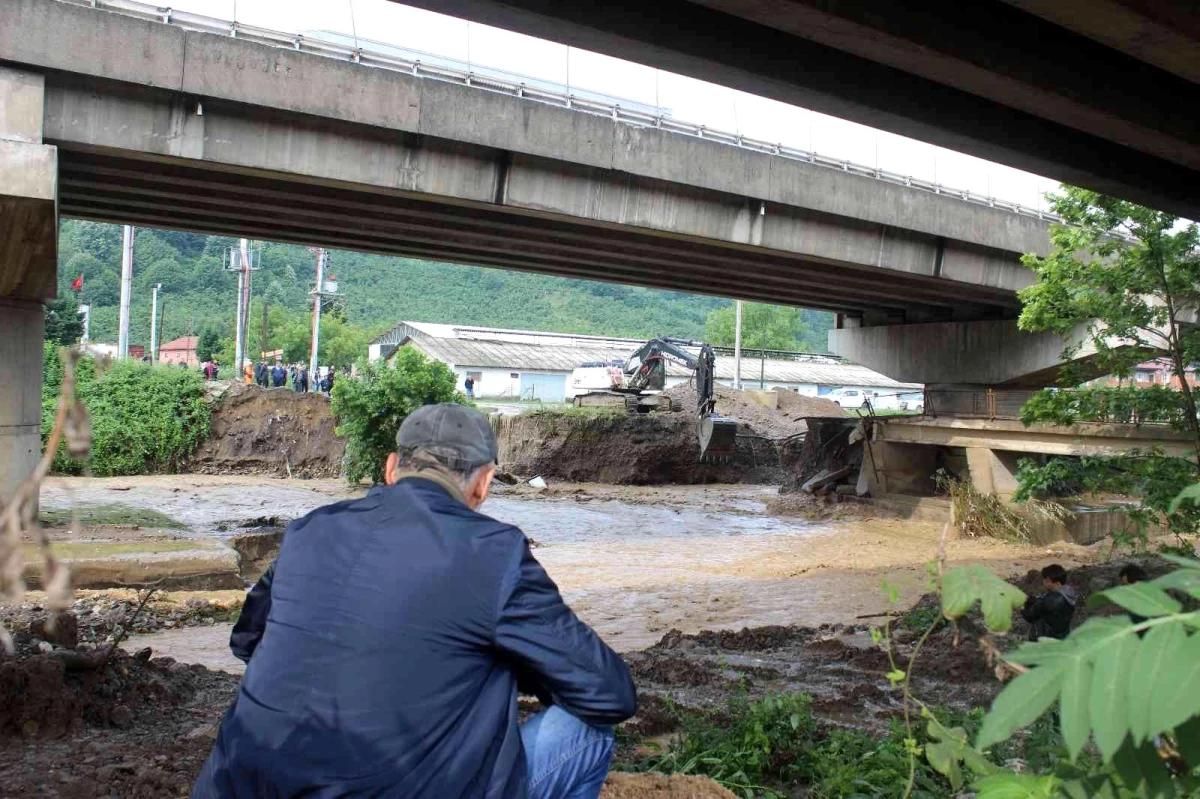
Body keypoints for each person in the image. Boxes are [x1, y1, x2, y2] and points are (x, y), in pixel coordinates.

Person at [192, 404, 635, 798]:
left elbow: (248, 641)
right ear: (483, 484)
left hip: (234, 783)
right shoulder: (493, 552)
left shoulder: (310, 529)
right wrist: (502, 669)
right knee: (586, 733)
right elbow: (609, 694)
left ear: (390, 468)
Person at [1020, 564, 1077, 641]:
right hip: (1062, 634)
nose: (1044, 582)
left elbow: (1029, 616)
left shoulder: (1050, 601)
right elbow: (1043, 602)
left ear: (1057, 584)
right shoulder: (1068, 593)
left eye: (1047, 581)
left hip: (1046, 638)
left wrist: (1022, 607)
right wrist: (1032, 599)